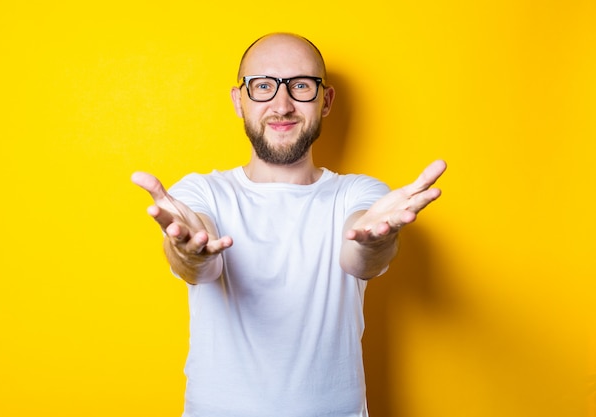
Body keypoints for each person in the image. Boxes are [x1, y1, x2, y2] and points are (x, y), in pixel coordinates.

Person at [132, 32, 446, 417]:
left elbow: (359, 258)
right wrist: (189, 250)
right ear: (239, 100)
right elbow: (200, 263)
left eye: (301, 86)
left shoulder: (357, 195)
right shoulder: (201, 193)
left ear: (325, 100)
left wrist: (373, 242)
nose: (282, 105)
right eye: (263, 86)